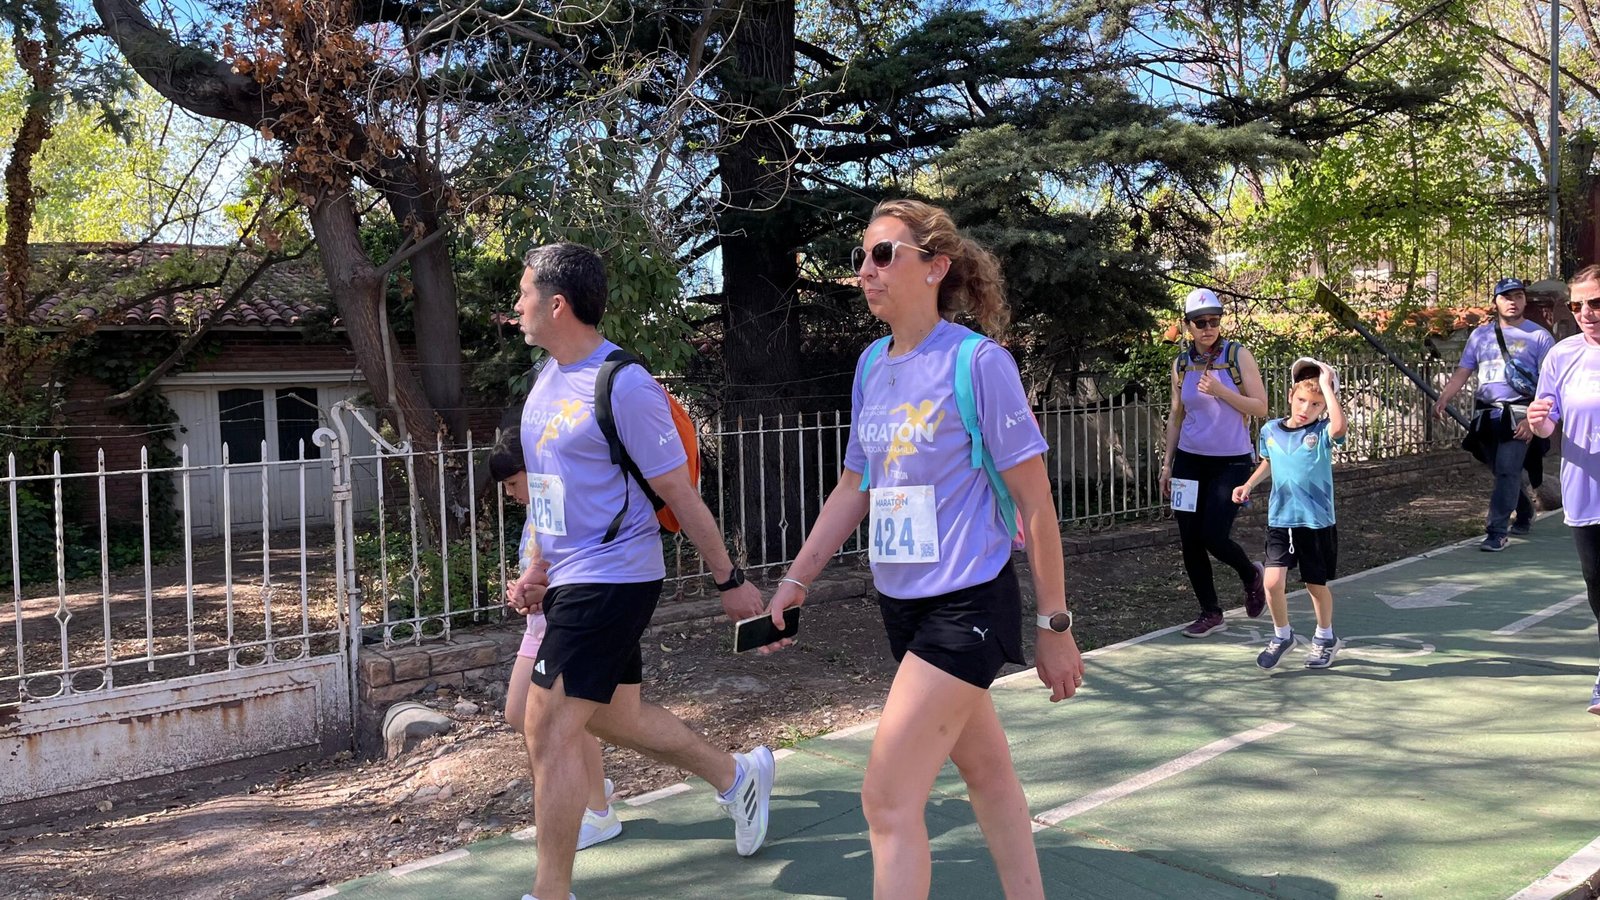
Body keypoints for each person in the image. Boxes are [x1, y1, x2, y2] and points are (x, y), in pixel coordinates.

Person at [766, 199, 1084, 900]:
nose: (865, 270)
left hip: (967, 605)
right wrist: (795, 581)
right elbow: (856, 484)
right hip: (902, 607)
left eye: (884, 254)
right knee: (987, 773)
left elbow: (1036, 502)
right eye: (862, 256)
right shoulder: (870, 365)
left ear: (936, 267)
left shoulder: (978, 363)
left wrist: (1054, 625)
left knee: (886, 800)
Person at [508, 242, 775, 900]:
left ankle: (550, 892)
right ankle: (737, 776)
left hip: (615, 573)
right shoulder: (545, 383)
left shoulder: (623, 383)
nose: (517, 304)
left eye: (524, 292)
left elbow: (680, 493)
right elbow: (549, 493)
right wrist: (537, 567)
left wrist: (729, 580)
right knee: (613, 716)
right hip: (568, 576)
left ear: (557, 304)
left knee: (548, 725)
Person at [488, 428, 620, 851]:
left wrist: (540, 593)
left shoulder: (557, 499)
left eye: (513, 483)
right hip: (539, 625)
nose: (510, 494)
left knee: (566, 720)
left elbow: (575, 567)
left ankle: (598, 810)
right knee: (520, 713)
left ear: (533, 470)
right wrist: (524, 592)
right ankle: (590, 787)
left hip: (564, 622)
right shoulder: (537, 509)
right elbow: (541, 565)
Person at [1160, 287, 1270, 637]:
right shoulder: (1181, 364)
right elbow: (1176, 416)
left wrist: (1222, 391)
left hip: (1231, 463)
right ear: (1188, 325)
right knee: (1190, 539)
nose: (1208, 328)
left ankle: (1251, 574)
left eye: (1214, 321)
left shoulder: (1238, 356)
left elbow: (1261, 407)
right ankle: (1210, 612)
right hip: (1188, 462)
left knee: (1213, 535)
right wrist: (1167, 464)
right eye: (1200, 322)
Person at [1231, 359, 1348, 670]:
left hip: (1315, 521)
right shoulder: (1270, 430)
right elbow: (1271, 461)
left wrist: (1327, 387)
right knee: (1271, 583)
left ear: (1324, 406)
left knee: (1315, 586)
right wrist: (1248, 484)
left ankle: (1326, 637)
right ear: (1290, 395)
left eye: (1316, 404)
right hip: (1281, 519)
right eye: (1302, 400)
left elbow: (1339, 428)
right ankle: (1283, 635)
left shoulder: (1322, 431)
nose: (1306, 408)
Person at [1432, 277, 1554, 551]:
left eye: (1518, 296)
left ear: (1525, 300)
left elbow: (1549, 384)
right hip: (1486, 414)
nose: (1513, 302)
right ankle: (1525, 511)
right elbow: (1463, 370)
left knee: (1509, 470)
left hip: (1521, 411)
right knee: (1500, 470)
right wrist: (1444, 397)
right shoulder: (1480, 335)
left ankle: (1496, 531)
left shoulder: (1540, 336)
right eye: (1506, 297)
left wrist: (1531, 420)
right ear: (1495, 302)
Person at [1526, 263, 1600, 716]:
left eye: (1596, 303)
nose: (1586, 313)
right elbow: (1548, 422)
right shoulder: (1561, 355)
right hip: (1585, 490)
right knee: (1597, 587)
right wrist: (1538, 422)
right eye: (1577, 305)